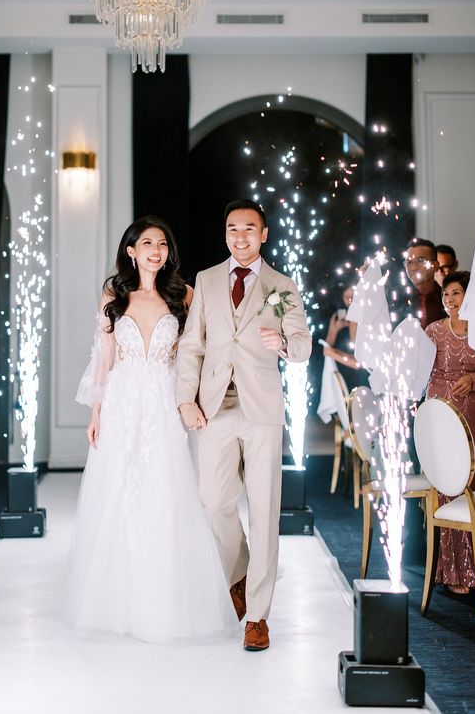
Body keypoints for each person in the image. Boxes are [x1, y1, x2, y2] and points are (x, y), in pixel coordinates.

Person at [67, 215, 237, 642]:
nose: (156, 250)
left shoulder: (182, 295)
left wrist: (195, 397)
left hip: (163, 398)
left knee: (165, 489)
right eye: (147, 243)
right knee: (119, 489)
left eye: (162, 243)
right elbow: (103, 356)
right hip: (123, 399)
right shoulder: (114, 294)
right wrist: (96, 411)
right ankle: (117, 598)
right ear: (131, 250)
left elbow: (197, 350)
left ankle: (165, 597)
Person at [176, 199, 312, 651]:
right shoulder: (208, 280)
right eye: (233, 229)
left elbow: (304, 342)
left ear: (264, 234)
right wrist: (185, 399)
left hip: (262, 408)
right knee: (213, 501)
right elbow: (192, 345)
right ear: (226, 234)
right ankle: (240, 575)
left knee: (265, 507)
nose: (240, 237)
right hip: (214, 406)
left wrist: (285, 342)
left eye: (249, 229)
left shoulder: (281, 285)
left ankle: (258, 616)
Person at [424, 271, 475, 594]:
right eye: (446, 295)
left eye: (456, 293)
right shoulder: (434, 331)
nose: (450, 300)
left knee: (470, 486)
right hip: (442, 417)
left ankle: (474, 567)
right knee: (447, 487)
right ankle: (450, 570)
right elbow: (419, 371)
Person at [323, 284, 368, 391]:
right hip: (343, 375)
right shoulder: (342, 317)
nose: (349, 300)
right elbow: (327, 347)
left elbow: (361, 363)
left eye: (352, 296)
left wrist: (332, 354)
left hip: (361, 379)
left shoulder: (364, 318)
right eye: (346, 297)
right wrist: (334, 330)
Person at [403, 237, 446, 326]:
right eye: (409, 262)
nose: (414, 267)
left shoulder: (446, 299)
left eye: (420, 261)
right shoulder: (397, 299)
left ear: (435, 265)